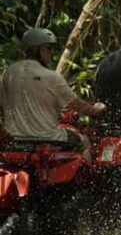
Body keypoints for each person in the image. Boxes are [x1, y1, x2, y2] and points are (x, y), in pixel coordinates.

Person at [0, 28, 105, 160]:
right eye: (48, 48)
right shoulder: (51, 77)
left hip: (15, 141)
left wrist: (3, 132)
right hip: (49, 139)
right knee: (84, 142)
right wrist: (96, 109)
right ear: (36, 49)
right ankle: (89, 180)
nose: (51, 52)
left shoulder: (8, 73)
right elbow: (78, 105)